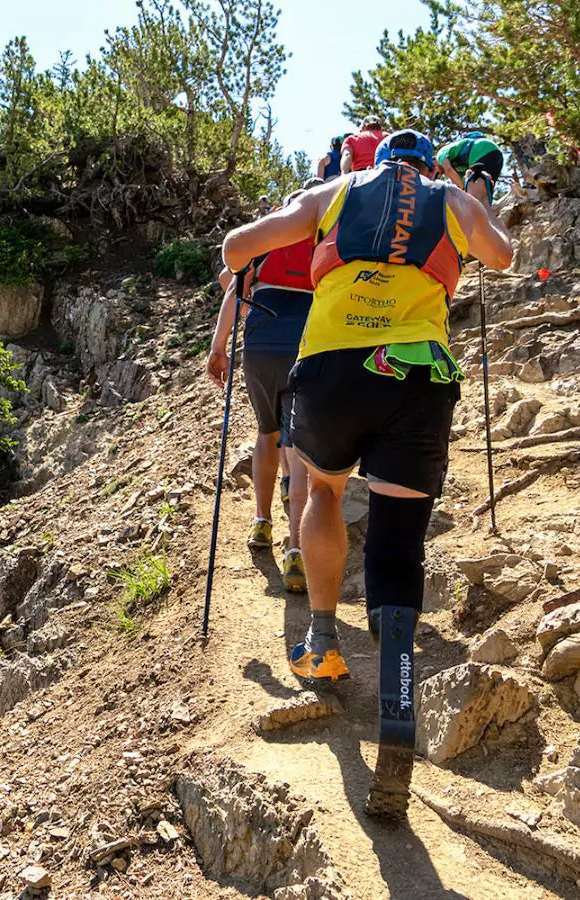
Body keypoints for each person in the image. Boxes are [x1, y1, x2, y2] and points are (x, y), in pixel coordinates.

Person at [221, 129, 512, 680]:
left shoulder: (335, 191)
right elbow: (501, 255)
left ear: (377, 162)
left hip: (333, 366)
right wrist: (477, 189)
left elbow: (238, 247)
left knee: (325, 491)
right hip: (418, 372)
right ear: (427, 168)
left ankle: (323, 637)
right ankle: (396, 659)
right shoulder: (449, 201)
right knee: (399, 524)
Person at [207, 189, 315, 593]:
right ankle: (297, 552)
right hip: (306, 346)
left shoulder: (265, 243)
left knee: (266, 433)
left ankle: (261, 522)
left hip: (261, 346)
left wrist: (218, 348)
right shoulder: (324, 243)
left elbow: (231, 287)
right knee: (299, 446)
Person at [436, 132, 505, 198]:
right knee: (487, 194)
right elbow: (461, 182)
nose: (439, 175)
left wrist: (465, 190)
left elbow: (448, 169)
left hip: (481, 150)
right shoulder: (459, 169)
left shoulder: (440, 155)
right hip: (497, 154)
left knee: (474, 194)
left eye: (435, 174)